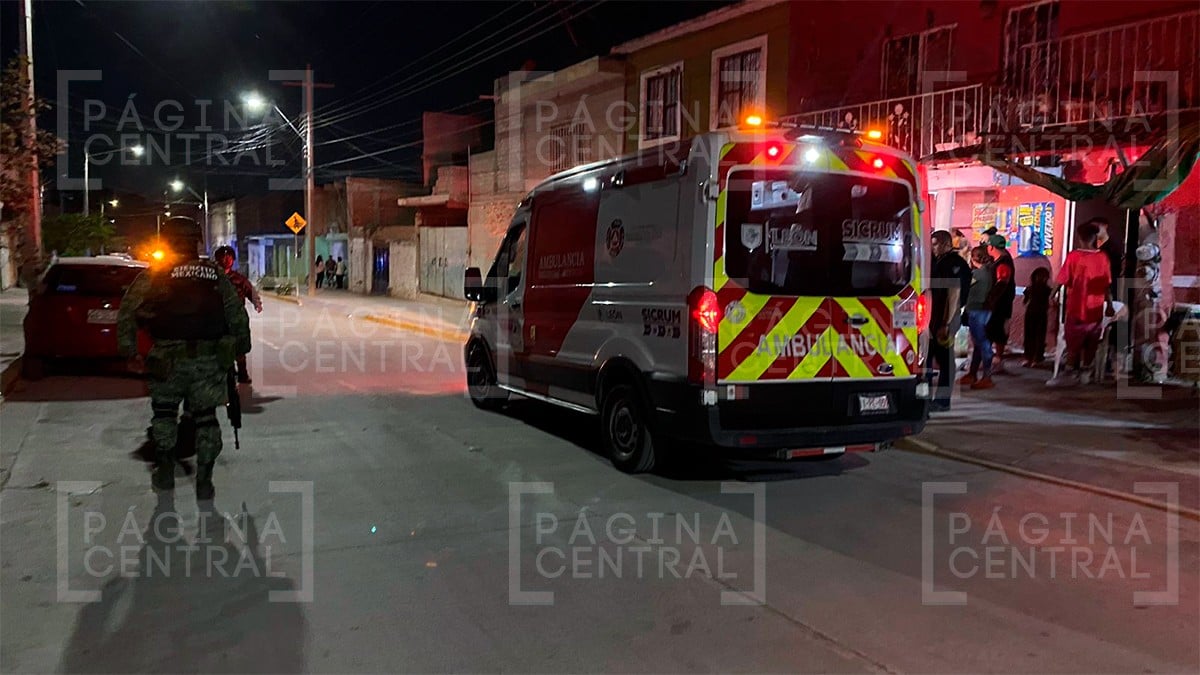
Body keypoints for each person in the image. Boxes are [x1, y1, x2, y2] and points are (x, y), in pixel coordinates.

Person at [117, 217, 251, 500]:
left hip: (166, 362)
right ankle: (205, 481)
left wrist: (129, 352)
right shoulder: (215, 274)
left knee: (164, 416)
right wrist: (240, 349)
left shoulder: (155, 275)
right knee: (206, 420)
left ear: (166, 241)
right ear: (196, 241)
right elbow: (237, 316)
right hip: (208, 362)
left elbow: (127, 312)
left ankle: (165, 472)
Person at [1049, 221, 1114, 386]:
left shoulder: (1074, 256)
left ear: (1081, 238)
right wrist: (1110, 305)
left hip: (1076, 308)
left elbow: (1062, 279)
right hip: (1096, 309)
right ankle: (1086, 372)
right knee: (1091, 341)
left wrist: (1052, 295)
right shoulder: (1103, 258)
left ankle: (1069, 372)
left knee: (1073, 341)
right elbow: (1106, 285)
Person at [929, 230, 971, 411]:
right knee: (930, 357)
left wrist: (946, 323)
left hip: (947, 317)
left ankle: (943, 401)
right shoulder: (939, 261)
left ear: (946, 244)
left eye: (935, 244)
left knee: (945, 360)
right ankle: (928, 399)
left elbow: (954, 295)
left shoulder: (954, 264)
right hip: (936, 317)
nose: (933, 247)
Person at [214, 245, 262, 383]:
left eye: (229, 257)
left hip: (236, 318)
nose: (226, 260)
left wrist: (257, 303)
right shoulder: (213, 277)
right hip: (218, 317)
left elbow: (249, 290)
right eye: (223, 257)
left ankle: (242, 373)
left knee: (240, 347)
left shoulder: (239, 279)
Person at [959, 245, 996, 390]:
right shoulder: (988, 272)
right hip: (983, 310)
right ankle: (973, 374)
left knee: (982, 343)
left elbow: (963, 285)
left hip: (976, 311)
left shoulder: (978, 274)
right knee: (979, 344)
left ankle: (986, 376)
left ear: (974, 258)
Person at [984, 234, 1016, 373]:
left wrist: (991, 299)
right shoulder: (1000, 261)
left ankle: (997, 361)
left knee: (997, 332)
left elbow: (1002, 283)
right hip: (999, 303)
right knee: (994, 331)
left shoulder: (1003, 263)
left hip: (999, 305)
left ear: (991, 247)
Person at [1022, 267, 1052, 367]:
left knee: (1031, 335)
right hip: (1039, 313)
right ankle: (1035, 357)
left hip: (1032, 313)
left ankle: (1030, 357)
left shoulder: (1030, 289)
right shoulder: (1046, 290)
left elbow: (1025, 302)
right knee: (1037, 335)